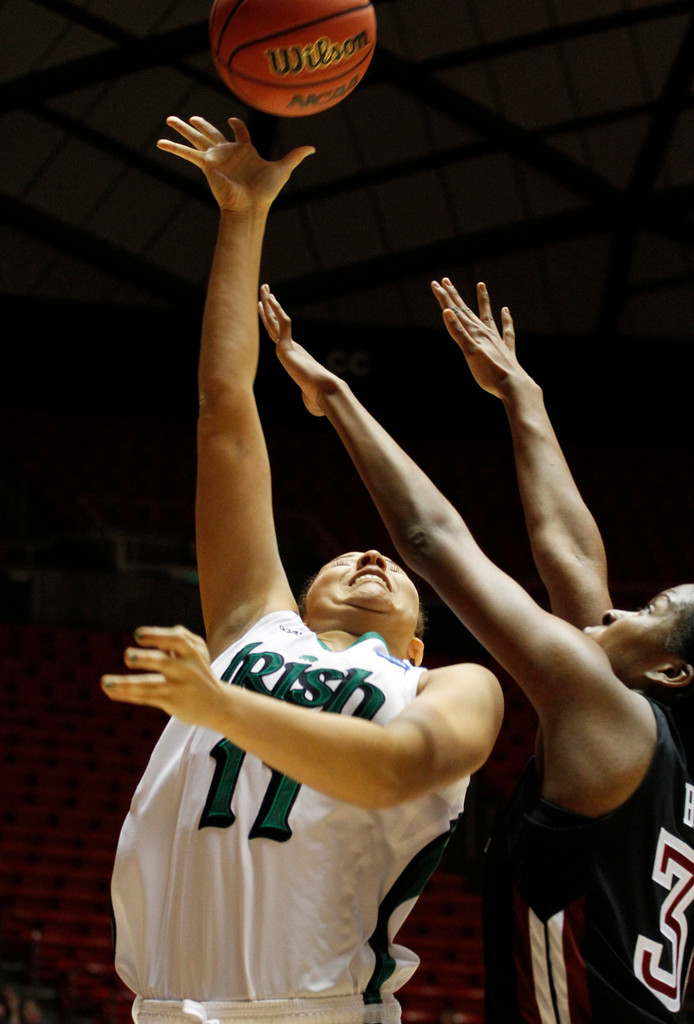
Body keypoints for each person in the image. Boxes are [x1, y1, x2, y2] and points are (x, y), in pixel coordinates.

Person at [101, 116, 503, 1024]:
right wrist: (242, 217)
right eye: (348, 554)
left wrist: (218, 707)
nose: (372, 554)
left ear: (417, 630)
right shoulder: (254, 624)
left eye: (391, 566)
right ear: (302, 589)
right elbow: (224, 412)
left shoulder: (455, 685)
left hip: (312, 1012)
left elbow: (398, 772)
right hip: (163, 1006)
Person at [237, 280, 694, 1023]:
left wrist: (334, 397)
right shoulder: (658, 749)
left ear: (674, 671)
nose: (614, 609)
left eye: (650, 611)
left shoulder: (610, 716)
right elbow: (575, 567)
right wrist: (523, 397)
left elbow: (432, 540)